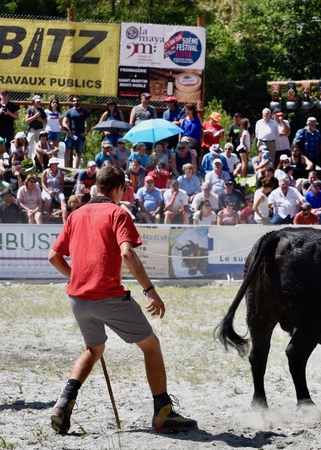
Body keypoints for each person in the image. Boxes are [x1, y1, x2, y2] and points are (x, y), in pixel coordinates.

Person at [48, 165, 197, 434]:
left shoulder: (76, 214)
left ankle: (63, 403)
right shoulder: (118, 213)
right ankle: (163, 413)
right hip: (108, 296)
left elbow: (53, 257)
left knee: (93, 349)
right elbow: (127, 253)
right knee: (151, 346)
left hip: (78, 299)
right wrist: (150, 289)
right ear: (118, 189)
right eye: (124, 189)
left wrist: (76, 278)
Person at [62, 96, 92, 169]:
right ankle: (66, 167)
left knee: (79, 152)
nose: (76, 102)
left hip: (81, 134)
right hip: (71, 133)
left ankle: (76, 168)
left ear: (80, 101)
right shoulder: (69, 111)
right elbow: (64, 122)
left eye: (77, 101)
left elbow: (89, 123)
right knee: (68, 149)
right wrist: (68, 131)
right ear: (72, 102)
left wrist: (86, 132)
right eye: (74, 101)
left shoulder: (85, 111)